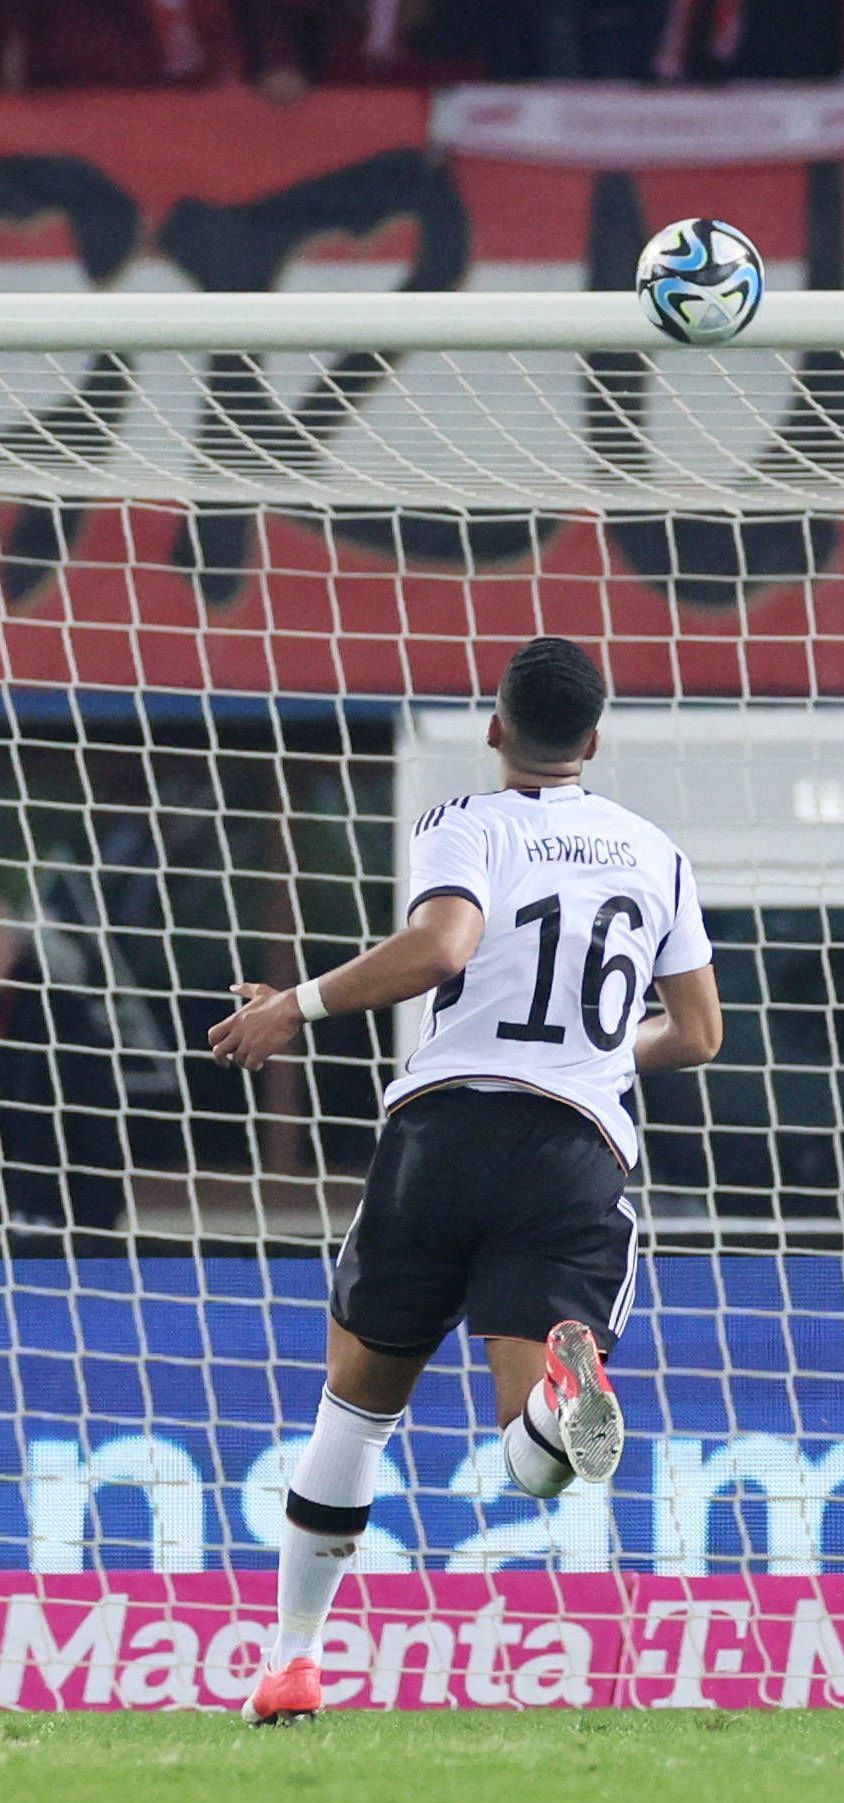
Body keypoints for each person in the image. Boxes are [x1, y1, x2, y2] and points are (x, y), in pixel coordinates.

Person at [207, 638, 725, 1727]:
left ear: (496, 726)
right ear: (594, 739)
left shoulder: (469, 823)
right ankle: (557, 1399)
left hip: (448, 1133)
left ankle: (294, 1661)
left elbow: (444, 948)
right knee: (531, 1464)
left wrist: (290, 1006)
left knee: (353, 1412)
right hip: (578, 1150)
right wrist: (583, 1062)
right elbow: (698, 1032)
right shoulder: (655, 850)